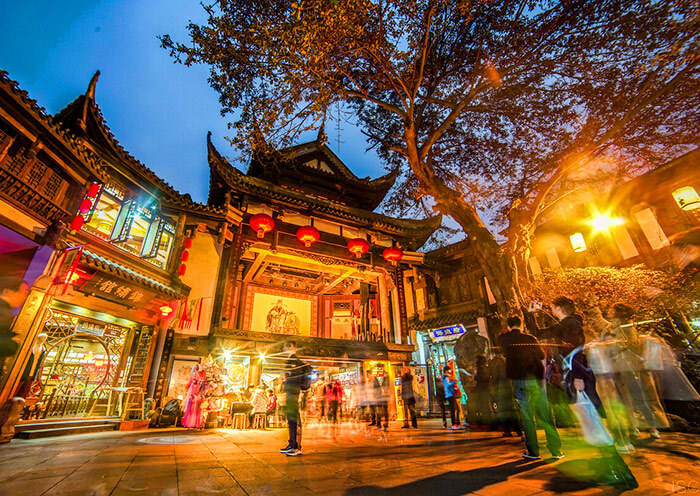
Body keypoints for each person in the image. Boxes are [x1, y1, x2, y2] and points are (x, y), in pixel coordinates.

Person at [499, 315, 563, 460]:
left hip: (519, 380)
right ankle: (555, 450)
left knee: (527, 416)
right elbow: (541, 355)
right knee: (546, 414)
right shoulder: (530, 339)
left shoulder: (505, 340)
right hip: (536, 379)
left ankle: (533, 451)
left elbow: (502, 344)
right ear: (521, 325)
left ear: (509, 326)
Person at [279, 341, 305, 456]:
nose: (284, 350)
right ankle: (292, 443)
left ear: (291, 347)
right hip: (293, 392)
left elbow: (295, 377)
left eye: (285, 347)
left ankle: (294, 446)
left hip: (292, 392)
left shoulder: (293, 359)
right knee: (292, 418)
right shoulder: (294, 359)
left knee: (293, 418)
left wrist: (286, 382)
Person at [489, 351, 522, 438]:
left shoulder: (497, 362)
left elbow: (495, 377)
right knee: (512, 410)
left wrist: (494, 391)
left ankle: (507, 431)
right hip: (509, 387)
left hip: (501, 388)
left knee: (503, 411)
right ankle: (519, 431)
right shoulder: (506, 360)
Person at [0, 277, 28, 378]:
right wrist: (12, 345)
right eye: (24, 292)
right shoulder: (3, 312)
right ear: (7, 292)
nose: (24, 297)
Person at [14, 333, 47, 398]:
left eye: (44, 339)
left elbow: (39, 363)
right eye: (42, 338)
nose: (43, 340)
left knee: (24, 393)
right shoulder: (31, 346)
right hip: (23, 372)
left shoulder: (42, 349)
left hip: (32, 373)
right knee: (15, 390)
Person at [182, 364, 207, 429]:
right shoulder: (194, 379)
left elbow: (203, 387)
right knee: (192, 409)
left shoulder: (202, 378)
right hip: (193, 395)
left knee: (198, 410)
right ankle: (190, 423)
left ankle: (196, 423)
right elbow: (191, 387)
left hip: (198, 396)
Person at [471, 354, 494, 427]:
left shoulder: (480, 368)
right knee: (487, 405)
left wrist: (475, 375)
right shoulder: (486, 367)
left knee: (485, 406)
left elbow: (480, 378)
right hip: (486, 388)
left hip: (482, 389)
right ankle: (491, 423)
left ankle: (489, 423)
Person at [441, 365, 465, 430]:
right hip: (450, 395)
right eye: (449, 369)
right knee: (453, 409)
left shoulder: (447, 377)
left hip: (451, 394)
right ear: (446, 370)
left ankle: (457, 423)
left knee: (456, 409)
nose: (450, 371)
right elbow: (447, 386)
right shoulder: (446, 377)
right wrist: (454, 381)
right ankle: (454, 424)